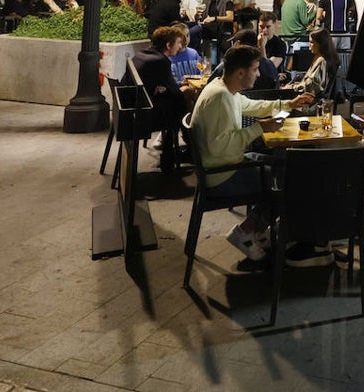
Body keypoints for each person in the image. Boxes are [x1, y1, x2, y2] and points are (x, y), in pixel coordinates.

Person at [189, 44, 315, 262]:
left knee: (285, 169)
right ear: (241, 72)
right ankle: (246, 233)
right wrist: (260, 128)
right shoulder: (221, 97)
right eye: (255, 69)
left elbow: (251, 105)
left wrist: (289, 103)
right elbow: (219, 146)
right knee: (286, 183)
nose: (258, 74)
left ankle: (256, 231)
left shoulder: (224, 88)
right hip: (222, 174)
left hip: (223, 164)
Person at [130, 25, 200, 174]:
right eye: (178, 43)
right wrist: (185, 89)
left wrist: (176, 86)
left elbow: (164, 85)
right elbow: (174, 92)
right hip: (143, 117)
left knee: (179, 103)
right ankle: (189, 150)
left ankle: (175, 154)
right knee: (182, 103)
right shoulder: (161, 61)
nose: (180, 46)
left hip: (129, 110)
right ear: (168, 45)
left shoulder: (143, 54)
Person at [215, 29, 279, 89]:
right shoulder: (270, 64)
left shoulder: (230, 65)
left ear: (237, 44)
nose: (258, 74)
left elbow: (213, 82)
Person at [286, 28, 339, 97]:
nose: (309, 45)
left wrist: (291, 88)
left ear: (320, 44)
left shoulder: (322, 61)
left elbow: (312, 87)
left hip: (309, 100)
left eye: (311, 42)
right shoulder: (323, 59)